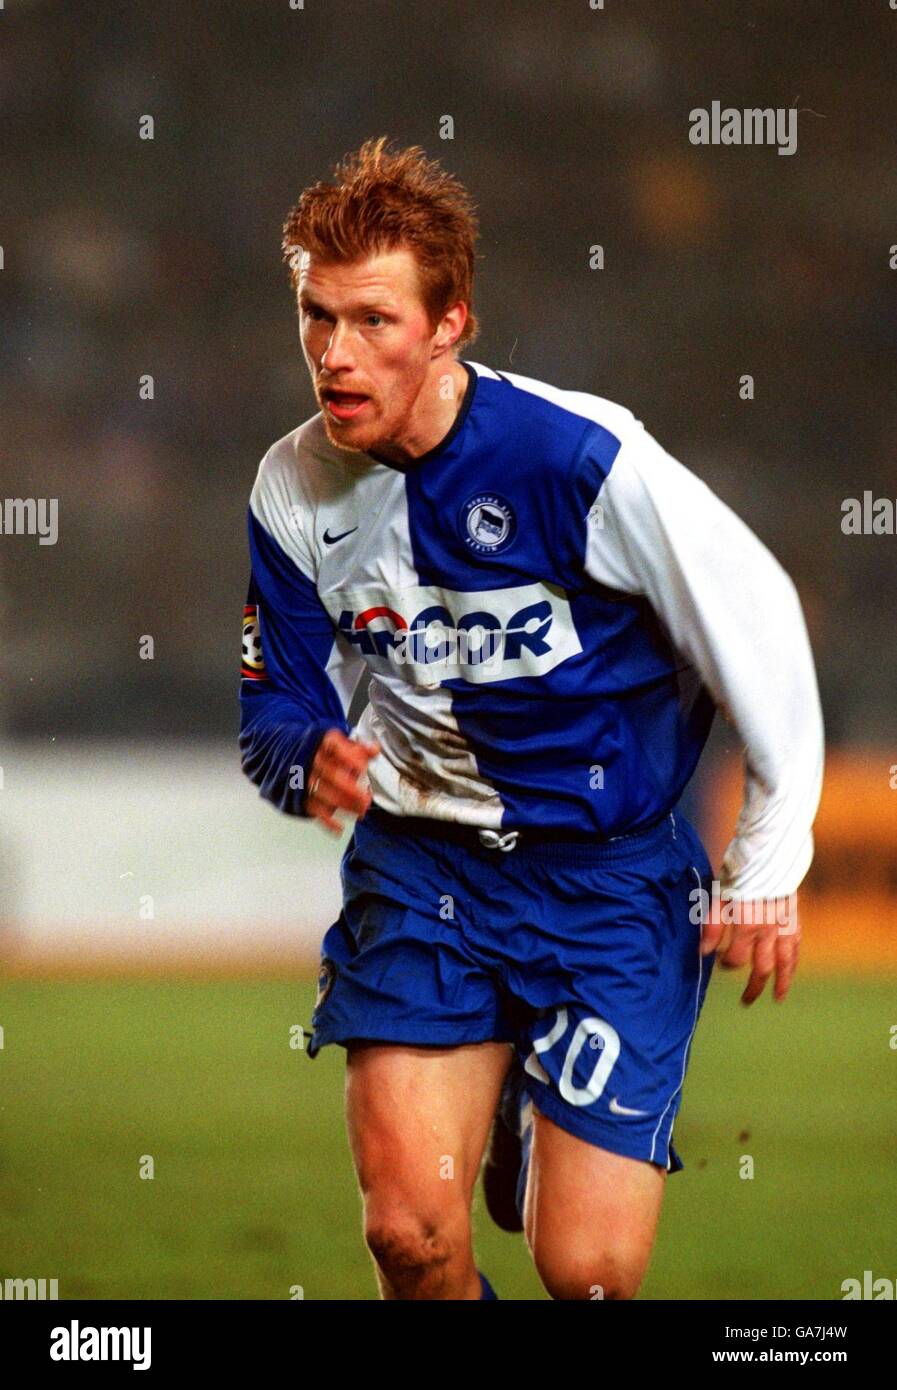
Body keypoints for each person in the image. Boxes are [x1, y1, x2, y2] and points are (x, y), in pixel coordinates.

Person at [239, 137, 824, 1300]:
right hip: (424, 870)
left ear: (449, 324)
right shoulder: (293, 487)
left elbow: (758, 621)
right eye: (317, 316)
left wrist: (766, 862)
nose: (334, 354)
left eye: (372, 320)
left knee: (587, 1272)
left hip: (609, 879)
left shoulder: (580, 460)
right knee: (410, 1240)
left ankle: (522, 1086)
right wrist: (307, 756)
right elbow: (274, 705)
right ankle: (501, 1073)